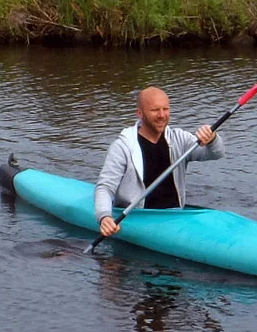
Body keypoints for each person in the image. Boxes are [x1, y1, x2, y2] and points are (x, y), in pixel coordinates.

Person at [94, 87, 225, 237]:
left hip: (176, 217)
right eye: (155, 110)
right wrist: (104, 217)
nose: (162, 115)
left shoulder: (179, 139)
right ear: (140, 114)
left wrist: (212, 139)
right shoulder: (122, 147)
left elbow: (216, 154)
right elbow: (105, 187)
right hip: (139, 218)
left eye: (165, 109)